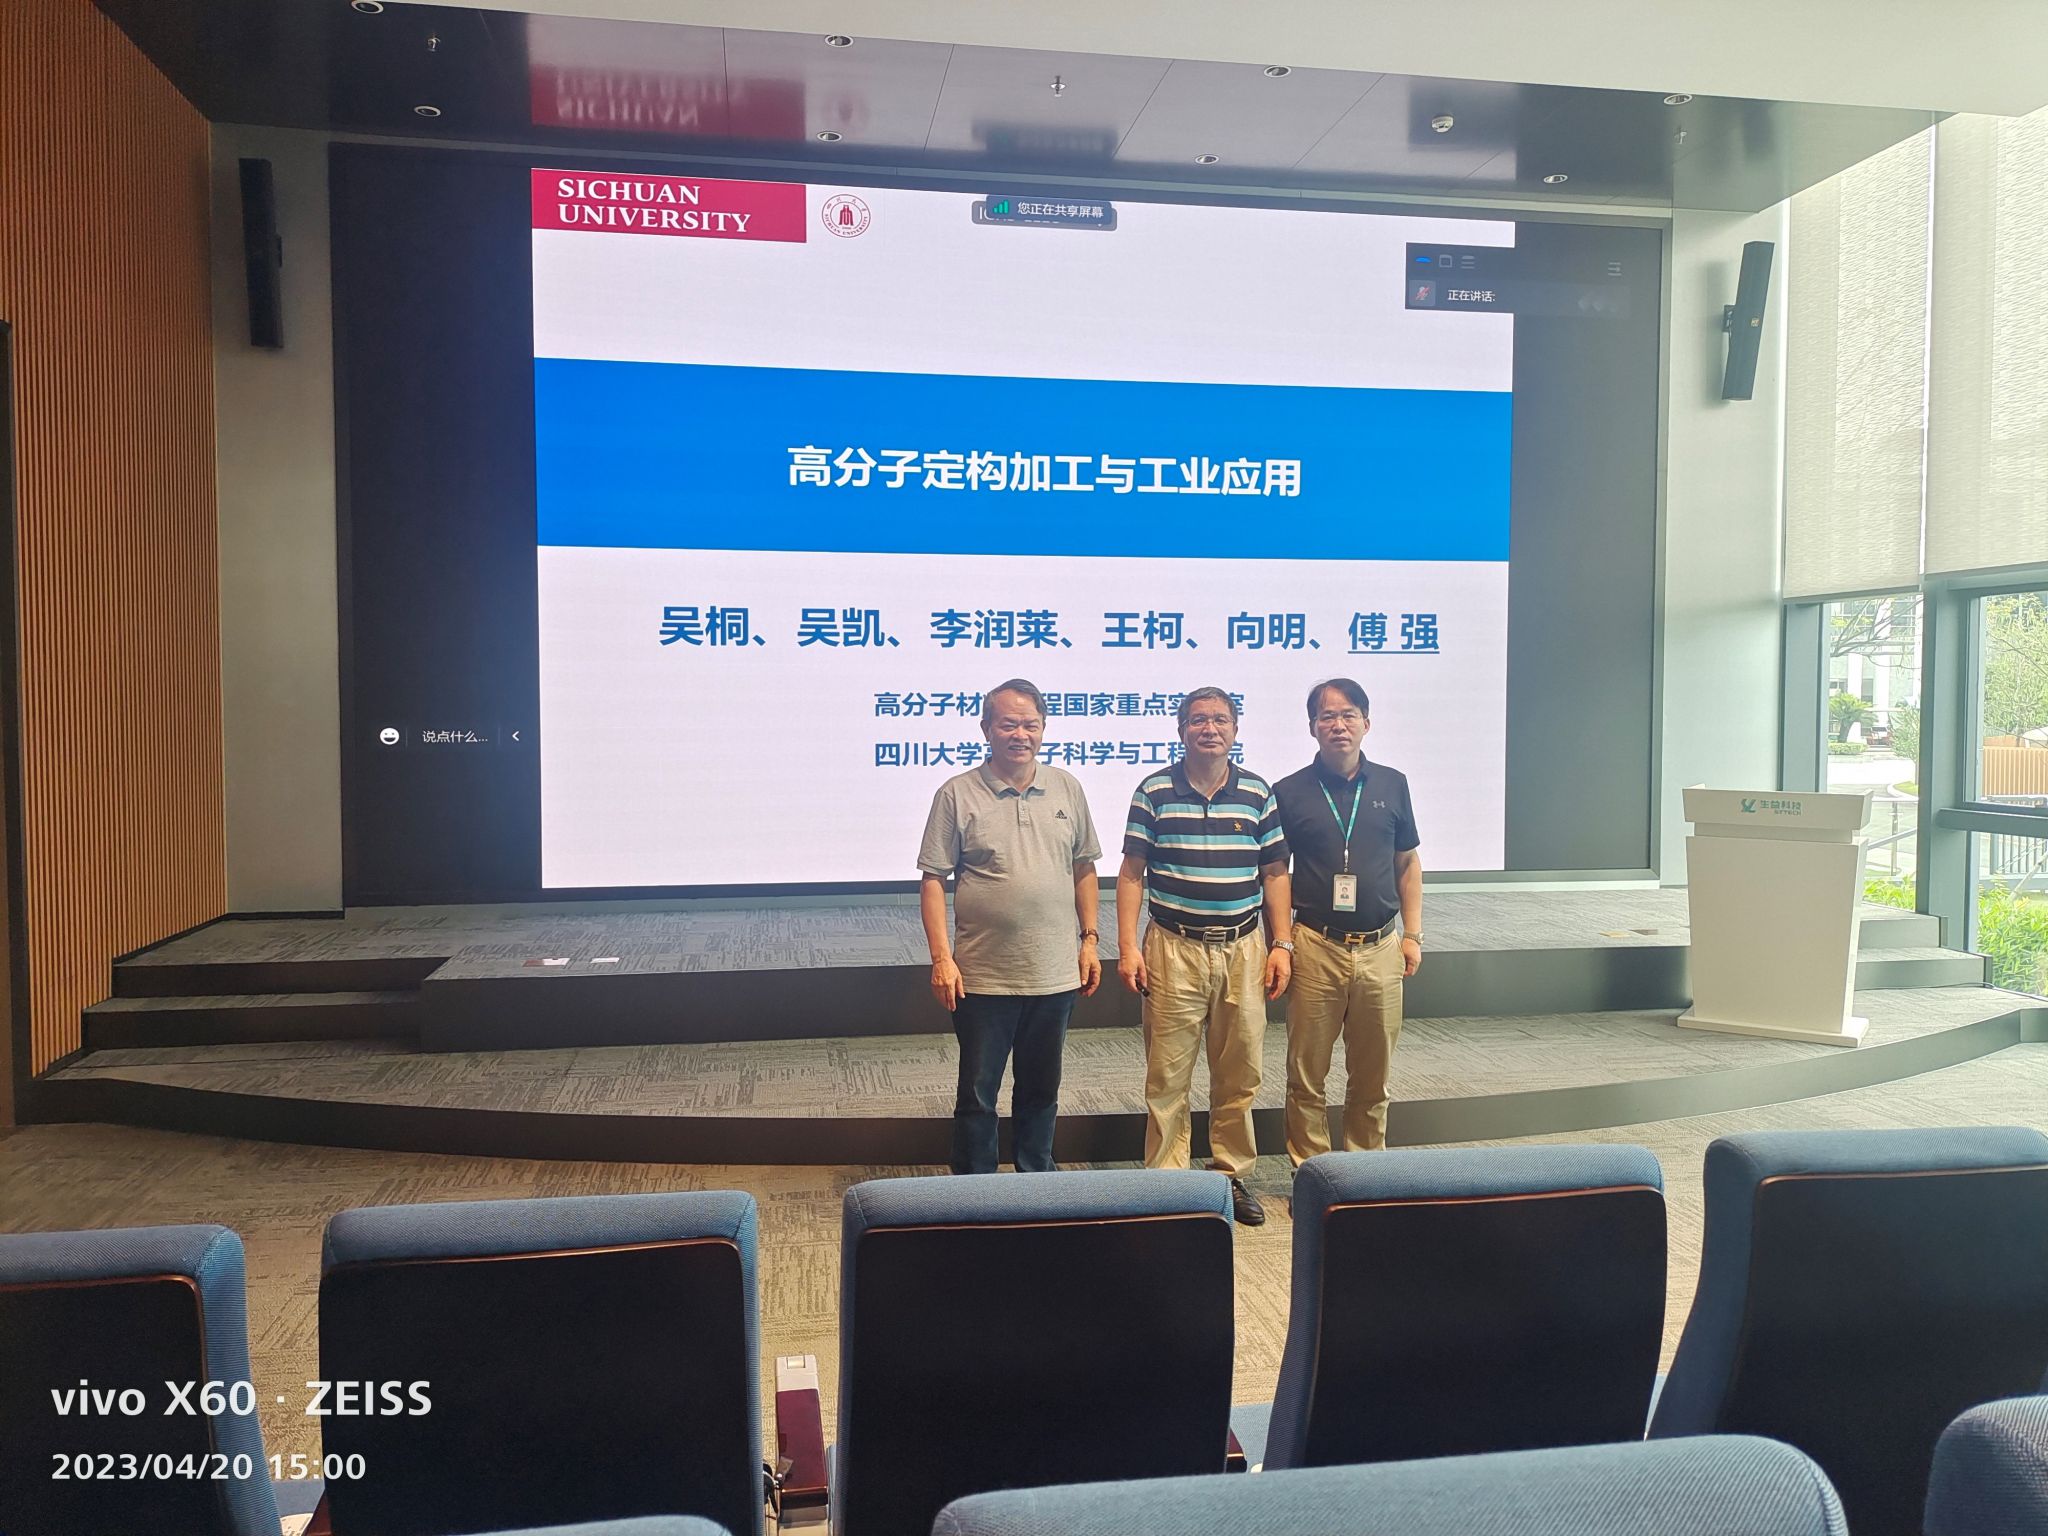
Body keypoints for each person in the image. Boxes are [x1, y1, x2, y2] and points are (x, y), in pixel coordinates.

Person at [1116, 686, 1292, 1225]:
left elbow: (1275, 873)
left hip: (1244, 948)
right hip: (1173, 948)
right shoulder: (1153, 791)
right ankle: (1168, 1186)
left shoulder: (1257, 792)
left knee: (1240, 1072)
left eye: (1220, 719)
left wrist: (1282, 943)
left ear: (1235, 730)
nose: (1209, 728)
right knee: (1167, 1074)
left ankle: (1229, 1176)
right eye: (1197, 720)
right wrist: (1127, 946)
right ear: (1181, 730)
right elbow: (1131, 874)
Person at [917, 679, 1104, 1174]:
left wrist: (1089, 940)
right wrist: (941, 959)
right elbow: (933, 880)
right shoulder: (956, 793)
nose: (1020, 734)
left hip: (1054, 973)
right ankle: (974, 1192)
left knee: (1041, 1090)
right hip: (982, 976)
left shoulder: (1067, 787)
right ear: (986, 729)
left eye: (1030, 725)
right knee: (978, 1095)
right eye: (1008, 724)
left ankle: (1035, 1184)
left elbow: (1085, 867)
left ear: (1043, 729)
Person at [1273, 678, 1422, 1164]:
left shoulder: (1393, 784)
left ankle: (1365, 1172)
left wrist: (1413, 935)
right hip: (1315, 945)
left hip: (1381, 947)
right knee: (1306, 1074)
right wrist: (1281, 942)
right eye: (1327, 716)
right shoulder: (1288, 791)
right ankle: (1310, 1172)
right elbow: (1275, 874)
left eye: (1348, 715)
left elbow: (1407, 863)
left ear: (1366, 723)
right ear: (1312, 727)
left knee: (1373, 1075)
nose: (1338, 725)